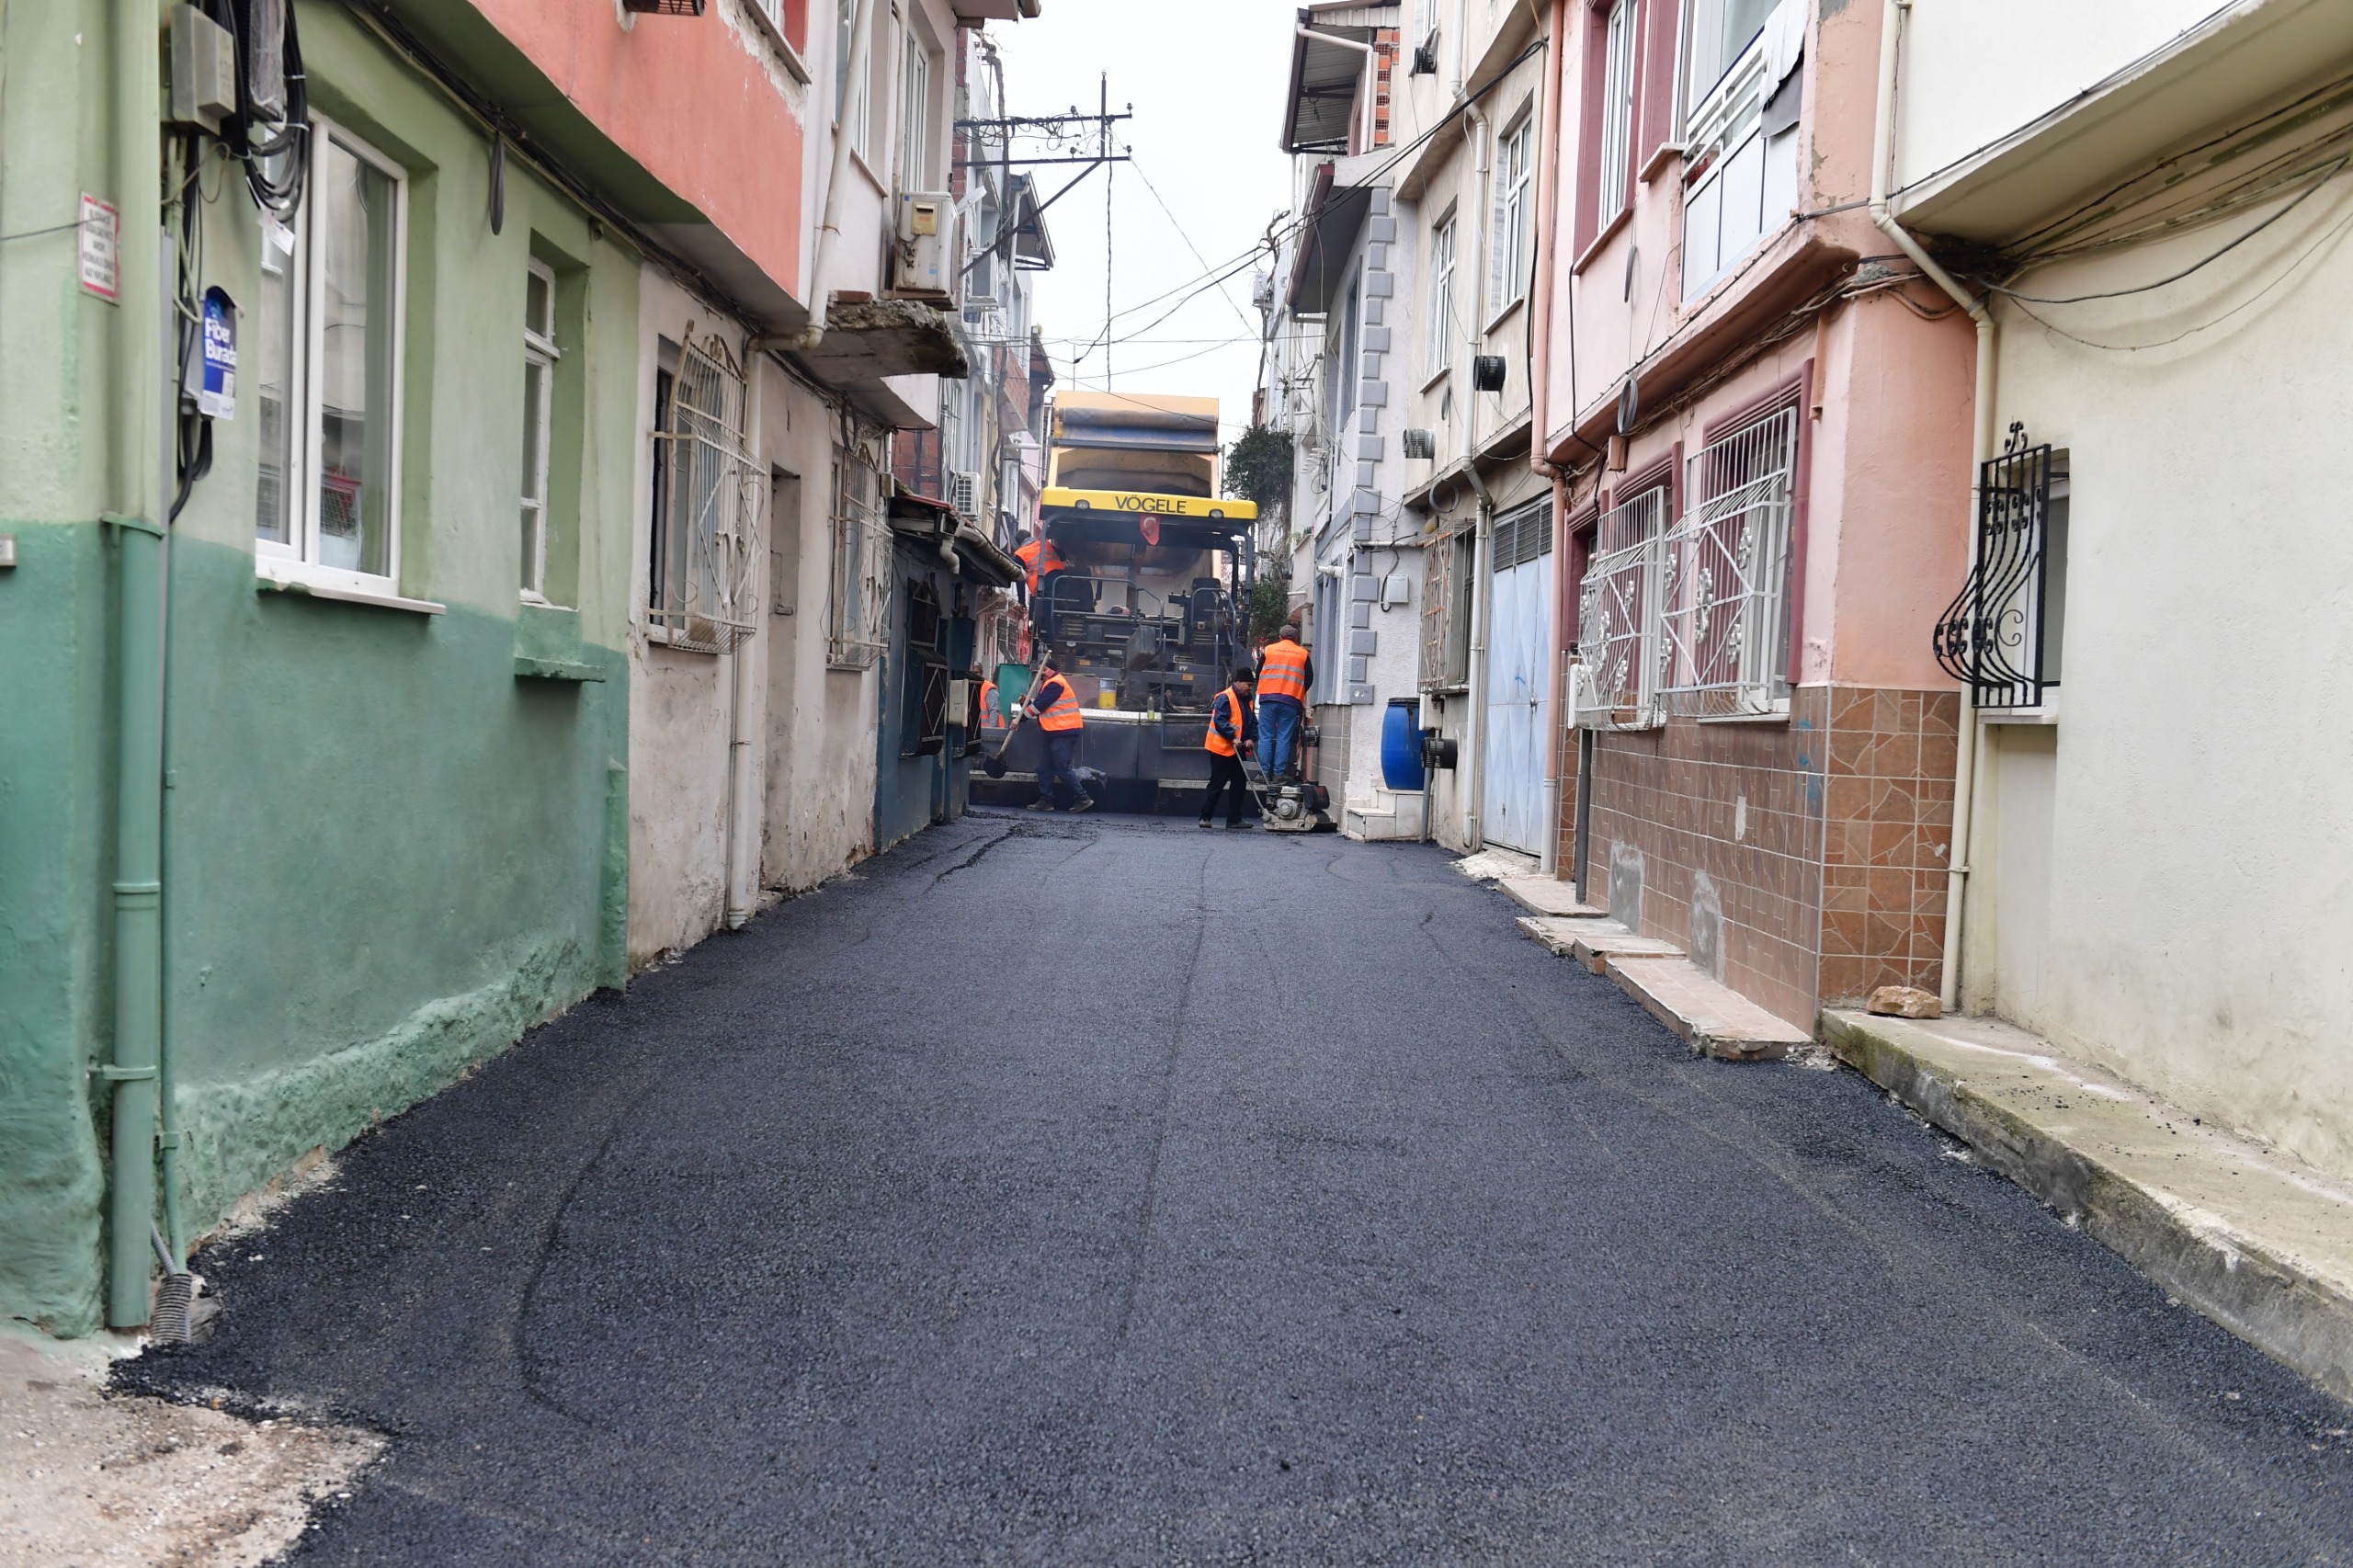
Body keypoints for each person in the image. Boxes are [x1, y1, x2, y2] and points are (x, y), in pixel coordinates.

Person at [1024, 659, 1095, 812]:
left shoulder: (1055, 683)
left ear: (1052, 670)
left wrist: (1020, 719)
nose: (1042, 673)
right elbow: (1043, 703)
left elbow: (1039, 706)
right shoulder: (1051, 684)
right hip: (1055, 732)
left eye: (1044, 669)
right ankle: (1046, 801)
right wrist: (1029, 702)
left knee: (1062, 768)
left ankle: (1083, 798)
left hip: (1064, 731)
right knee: (1044, 768)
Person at [1198, 669, 1258, 830]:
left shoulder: (1248, 700)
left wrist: (1252, 738)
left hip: (1238, 749)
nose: (1250, 689)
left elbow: (1252, 721)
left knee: (1239, 784)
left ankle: (1234, 819)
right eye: (1248, 685)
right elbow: (1220, 721)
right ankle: (1205, 817)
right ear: (1239, 682)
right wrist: (1234, 738)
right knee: (1217, 784)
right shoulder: (1226, 697)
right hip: (1221, 749)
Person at [1255, 622, 1313, 780]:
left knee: (1265, 736)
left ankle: (1263, 773)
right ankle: (1279, 774)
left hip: (1268, 699)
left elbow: (1258, 672)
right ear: (1295, 638)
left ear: (1280, 637)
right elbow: (1309, 679)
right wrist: (1298, 690)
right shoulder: (1302, 653)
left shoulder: (1269, 650)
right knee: (1284, 737)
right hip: (1291, 700)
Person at [1014, 528, 1070, 640]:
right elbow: (1063, 556)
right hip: (1061, 578)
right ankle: (1062, 630)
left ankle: (1052, 639)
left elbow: (1019, 578)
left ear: (1018, 542)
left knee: (1048, 610)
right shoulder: (1044, 544)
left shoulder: (1020, 554)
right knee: (1060, 605)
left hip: (1044, 583)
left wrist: (1022, 601)